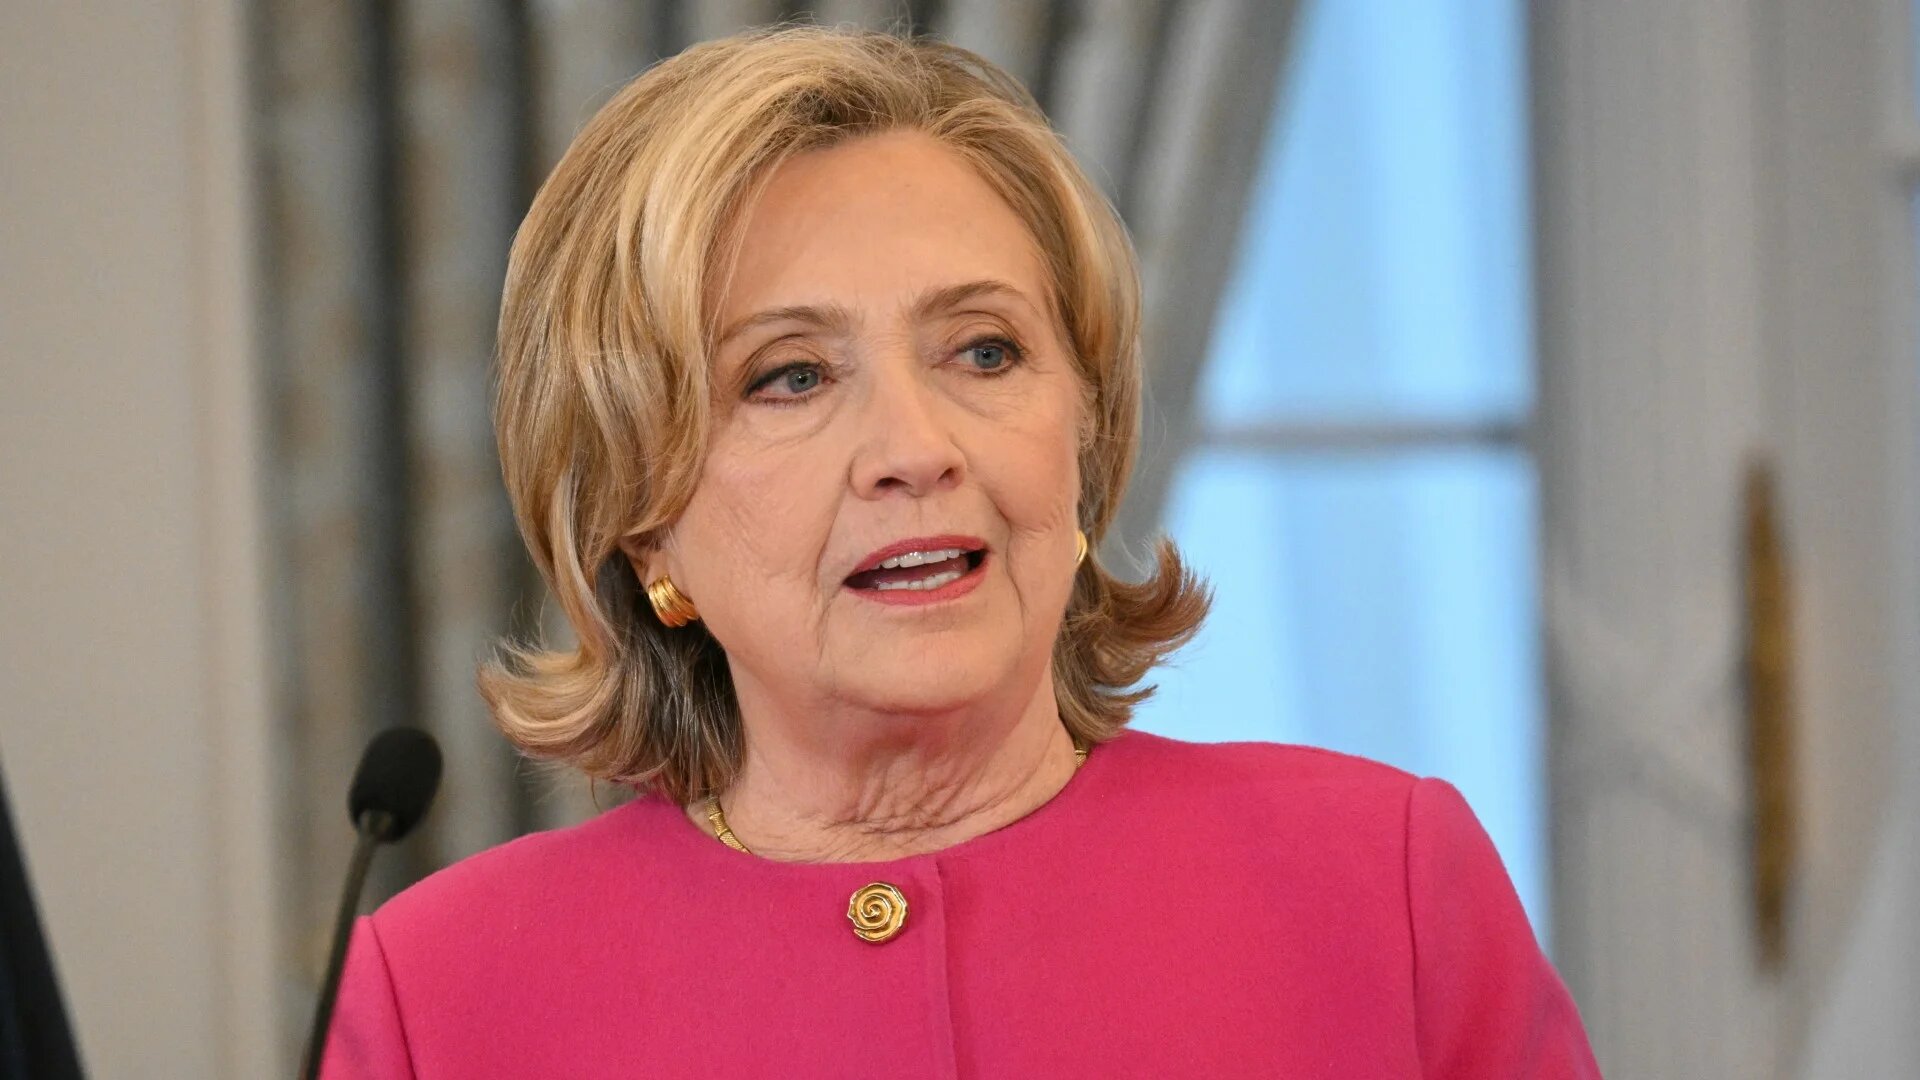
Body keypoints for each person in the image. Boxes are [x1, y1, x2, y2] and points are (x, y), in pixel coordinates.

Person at [321, 24, 1599, 1078]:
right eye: (790, 376)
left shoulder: (1387, 888)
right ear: (640, 515)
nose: (914, 448)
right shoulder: (438, 996)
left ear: (1084, 431)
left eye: (984, 351)